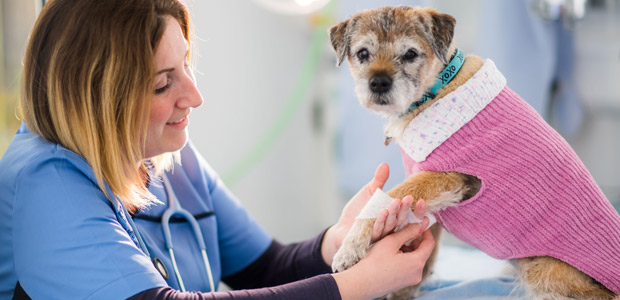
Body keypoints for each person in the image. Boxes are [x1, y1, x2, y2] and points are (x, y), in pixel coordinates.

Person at [0, 0, 435, 299]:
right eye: (161, 83)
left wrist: (338, 244)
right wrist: (357, 285)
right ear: (96, 97)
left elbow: (269, 268)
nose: (194, 95)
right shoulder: (44, 183)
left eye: (186, 64)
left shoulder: (167, 155)